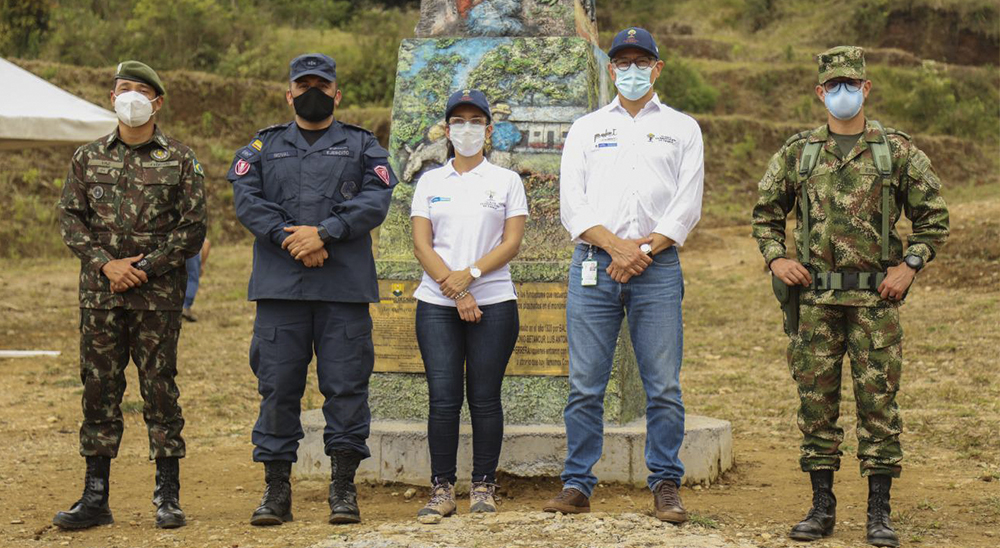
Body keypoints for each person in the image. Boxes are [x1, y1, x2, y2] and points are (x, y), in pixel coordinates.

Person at [751, 46, 949, 547]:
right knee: (816, 406)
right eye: (833, 85)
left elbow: (934, 219)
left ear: (866, 88)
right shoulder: (799, 153)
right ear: (820, 92)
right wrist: (777, 258)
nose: (842, 93)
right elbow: (765, 213)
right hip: (814, 303)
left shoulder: (896, 151)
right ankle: (821, 508)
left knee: (878, 406)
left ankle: (879, 514)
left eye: (851, 84)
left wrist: (909, 267)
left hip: (876, 305)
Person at [228, 53, 397, 527]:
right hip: (281, 290)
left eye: (320, 84)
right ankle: (276, 491)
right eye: (302, 85)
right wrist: (291, 238)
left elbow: (375, 200)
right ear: (289, 94)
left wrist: (324, 233)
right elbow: (248, 201)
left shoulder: (363, 146)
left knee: (346, 389)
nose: (312, 92)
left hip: (342, 290)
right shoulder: (262, 147)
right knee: (278, 388)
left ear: (336, 93)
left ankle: (343, 489)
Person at [545, 27, 704, 523]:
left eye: (641, 62)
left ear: (657, 68)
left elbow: (687, 203)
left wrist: (643, 250)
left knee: (663, 385)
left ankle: (665, 483)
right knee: (585, 383)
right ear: (610, 69)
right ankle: (577, 483)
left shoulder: (683, 128)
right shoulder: (586, 128)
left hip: (657, 268)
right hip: (595, 263)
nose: (631, 71)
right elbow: (572, 202)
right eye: (622, 63)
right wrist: (616, 247)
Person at [54, 60, 207, 530]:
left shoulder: (180, 160)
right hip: (100, 296)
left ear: (157, 101)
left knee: (159, 389)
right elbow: (70, 219)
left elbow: (192, 228)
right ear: (112, 97)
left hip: (156, 297)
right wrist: (107, 264)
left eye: (140, 89)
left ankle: (168, 495)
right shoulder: (87, 157)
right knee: (99, 390)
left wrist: (142, 269)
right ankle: (95, 496)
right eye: (123, 88)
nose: (131, 96)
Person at [410, 89, 528, 520]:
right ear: (446, 130)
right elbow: (422, 245)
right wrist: (456, 290)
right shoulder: (430, 182)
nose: (466, 129)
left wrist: (472, 277)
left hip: (494, 301)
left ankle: (483, 485)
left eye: (475, 121)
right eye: (457, 121)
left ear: (488, 129)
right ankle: (442, 489)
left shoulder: (506, 181)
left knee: (484, 397)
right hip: (437, 302)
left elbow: (511, 242)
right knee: (442, 399)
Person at [182, 238, 210, 322]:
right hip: (192, 252)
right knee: (192, 279)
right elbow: (206, 243)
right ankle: (185, 307)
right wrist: (202, 265)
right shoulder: (194, 228)